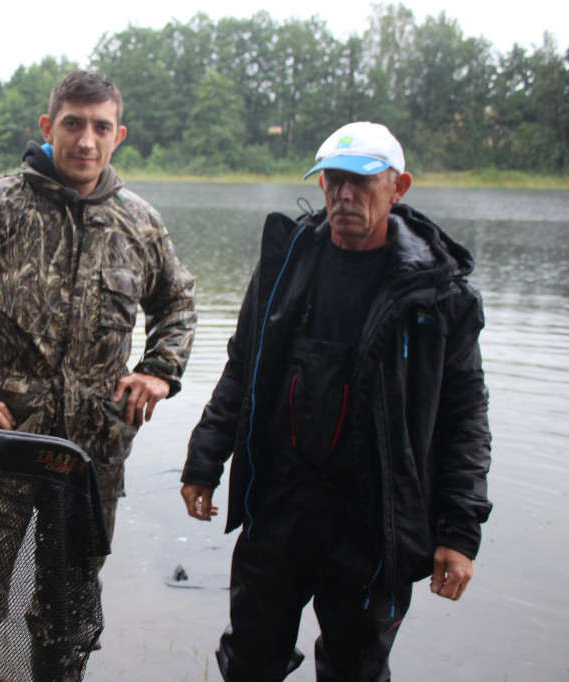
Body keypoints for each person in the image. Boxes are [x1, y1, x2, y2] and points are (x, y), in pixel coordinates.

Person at [180, 121, 493, 681]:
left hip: (374, 521)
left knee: (357, 670)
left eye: (362, 183)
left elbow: (465, 419)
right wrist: (206, 458)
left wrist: (459, 533)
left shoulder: (440, 295)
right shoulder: (286, 264)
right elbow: (241, 365)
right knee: (249, 659)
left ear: (399, 188)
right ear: (320, 184)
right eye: (333, 182)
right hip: (278, 503)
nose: (344, 196)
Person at [0, 70, 197, 679]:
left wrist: (159, 372)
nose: (85, 141)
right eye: (72, 124)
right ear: (48, 128)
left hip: (92, 457)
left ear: (118, 135)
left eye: (100, 127)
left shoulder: (139, 223)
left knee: (68, 619)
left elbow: (178, 304)